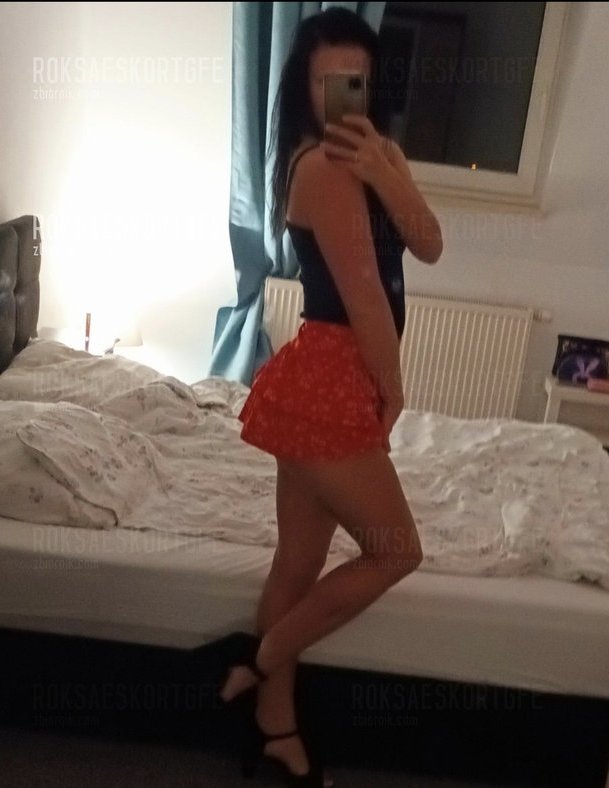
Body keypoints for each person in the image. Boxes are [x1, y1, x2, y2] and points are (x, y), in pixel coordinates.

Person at [219, 7, 442, 786]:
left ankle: (274, 725)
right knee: (397, 550)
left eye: (357, 78)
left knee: (299, 561)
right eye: (325, 81)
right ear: (303, 88)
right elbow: (364, 296)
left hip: (326, 377)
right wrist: (394, 386)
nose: (342, 93)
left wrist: (388, 171)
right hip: (331, 377)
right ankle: (259, 660)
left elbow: (429, 243)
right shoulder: (316, 167)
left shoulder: (376, 157)